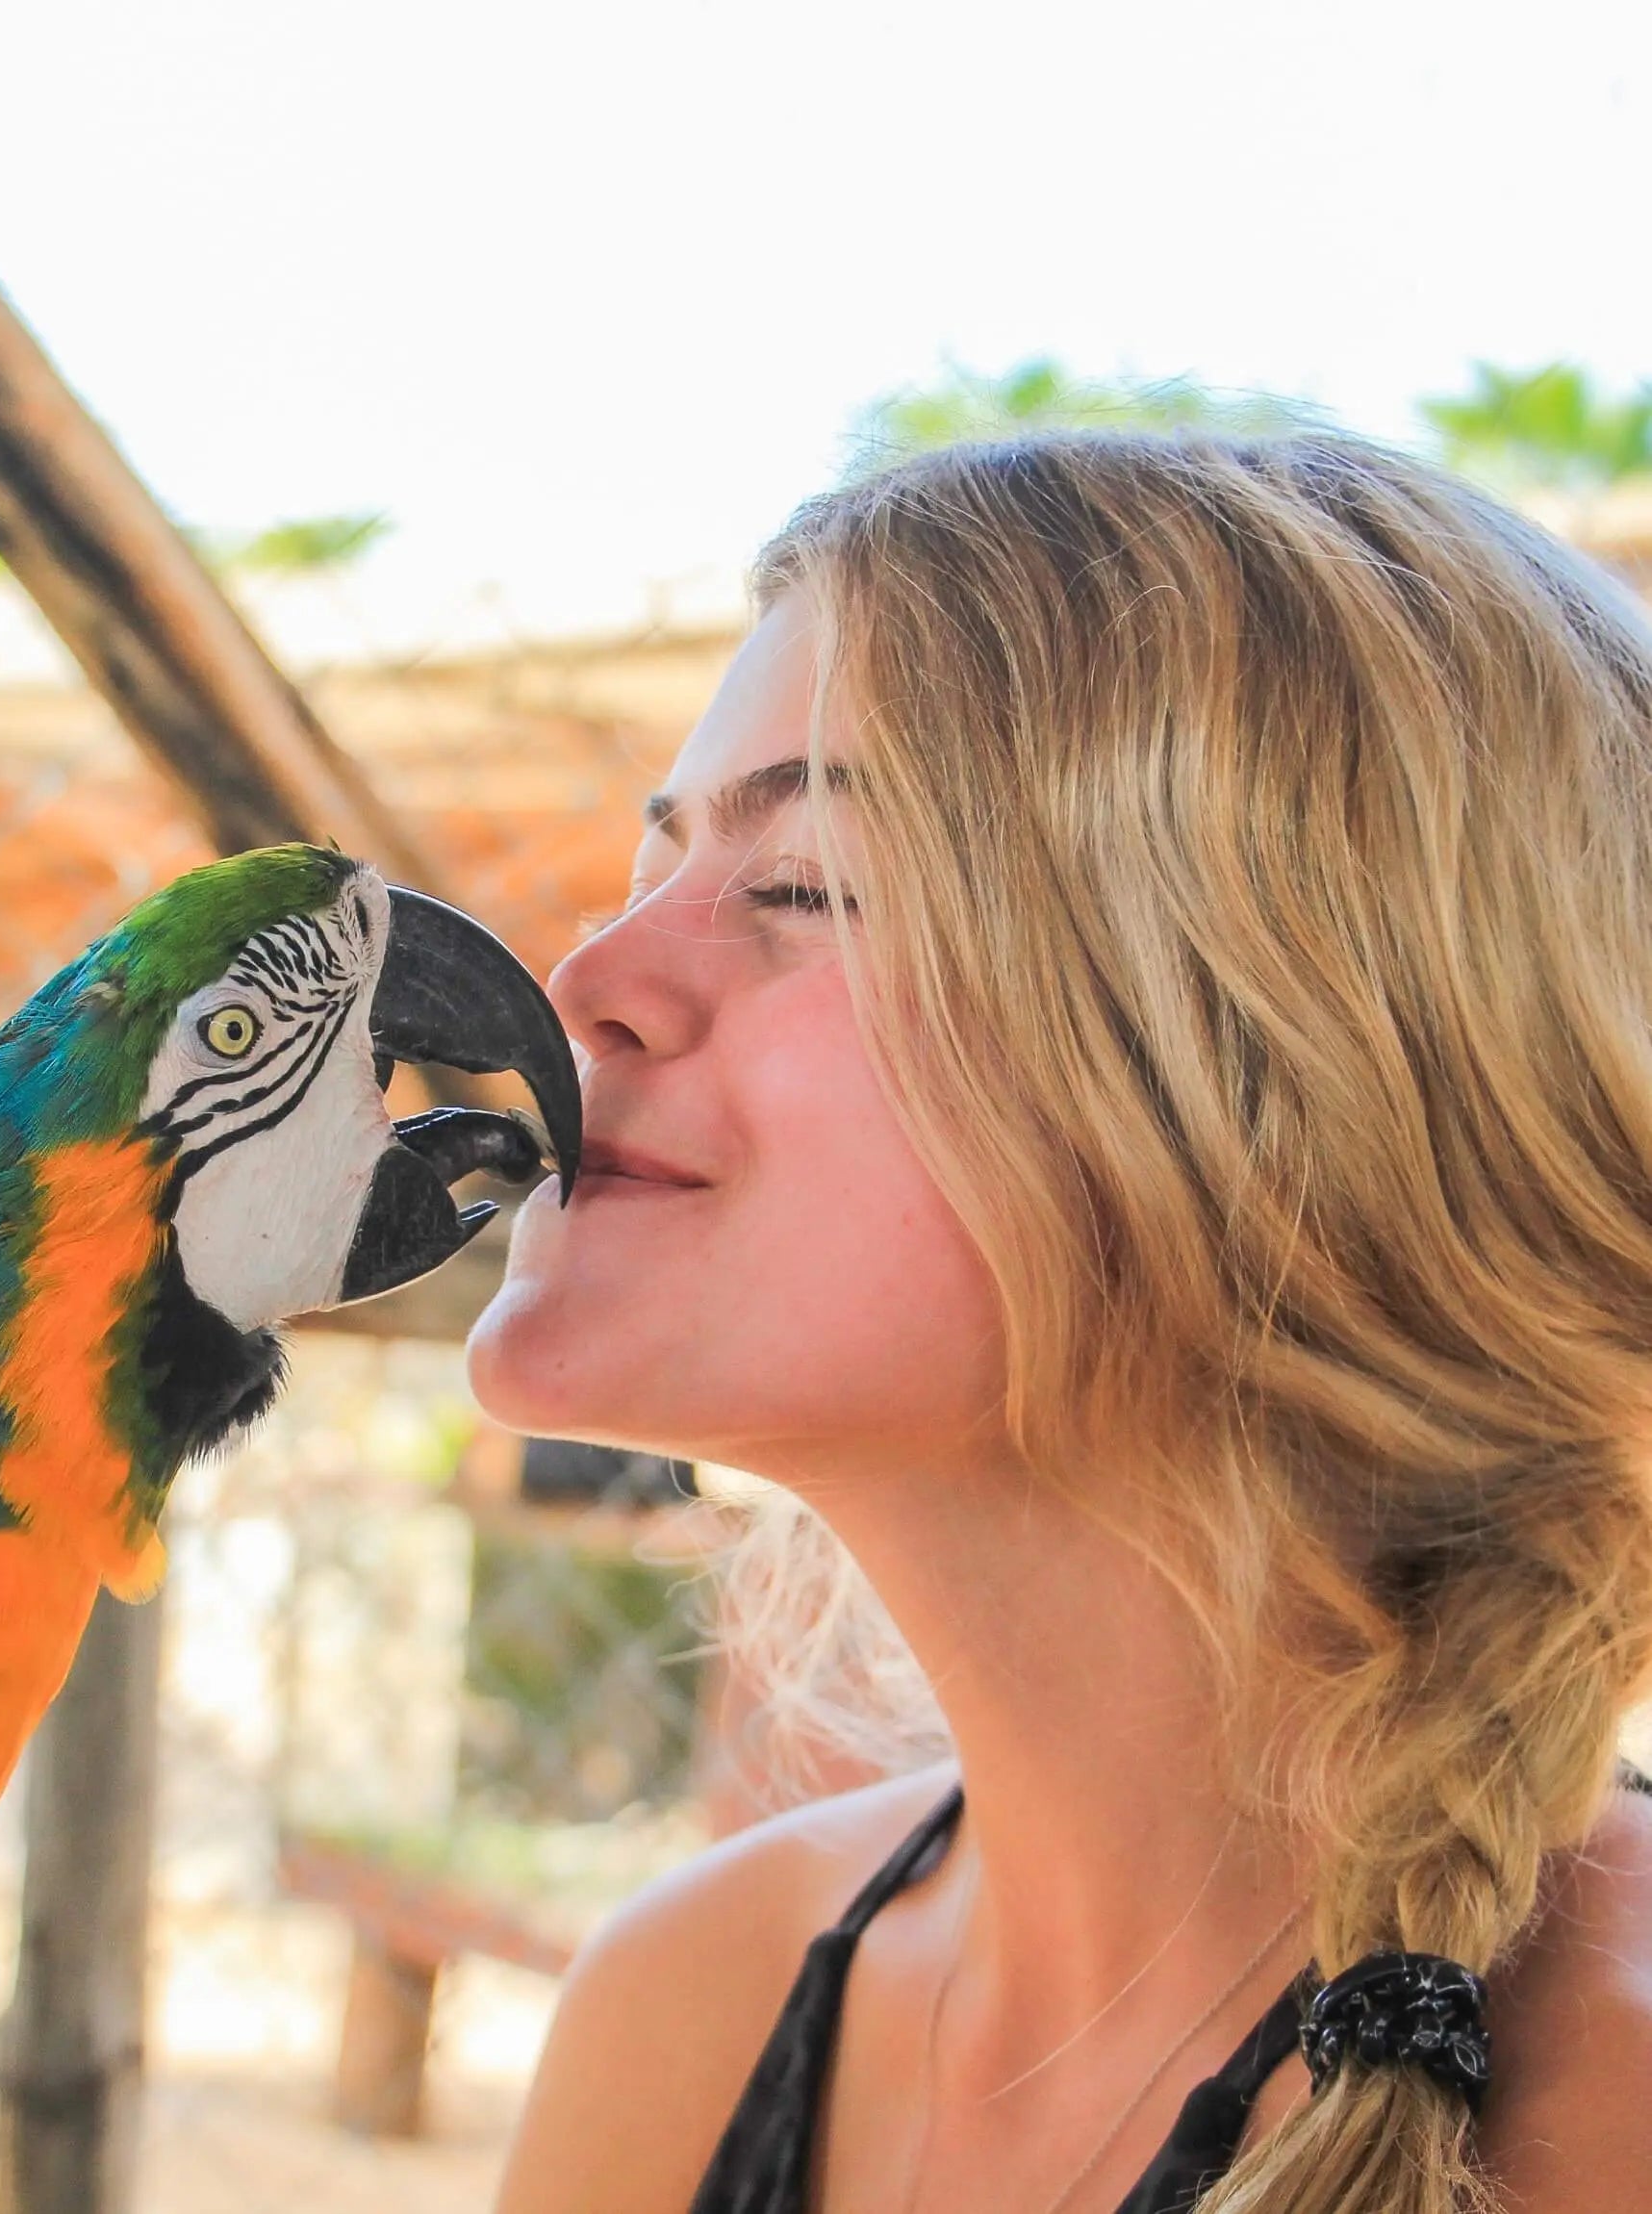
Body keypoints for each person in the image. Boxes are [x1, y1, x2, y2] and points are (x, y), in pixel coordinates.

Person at [466, 432, 1652, 2214]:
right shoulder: (686, 2003)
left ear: (1282, 1078)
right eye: (651, 867)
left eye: (803, 888)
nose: (583, 986)